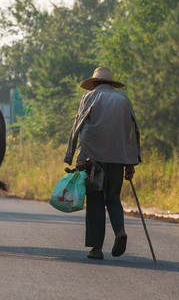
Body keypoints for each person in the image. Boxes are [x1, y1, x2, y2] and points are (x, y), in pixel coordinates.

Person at [64, 66, 141, 260]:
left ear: (95, 83)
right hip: (118, 159)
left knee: (96, 201)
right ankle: (120, 232)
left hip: (94, 160)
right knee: (113, 198)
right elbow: (131, 131)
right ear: (110, 83)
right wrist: (131, 162)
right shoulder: (123, 100)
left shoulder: (89, 97)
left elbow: (83, 129)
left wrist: (79, 157)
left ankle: (96, 249)